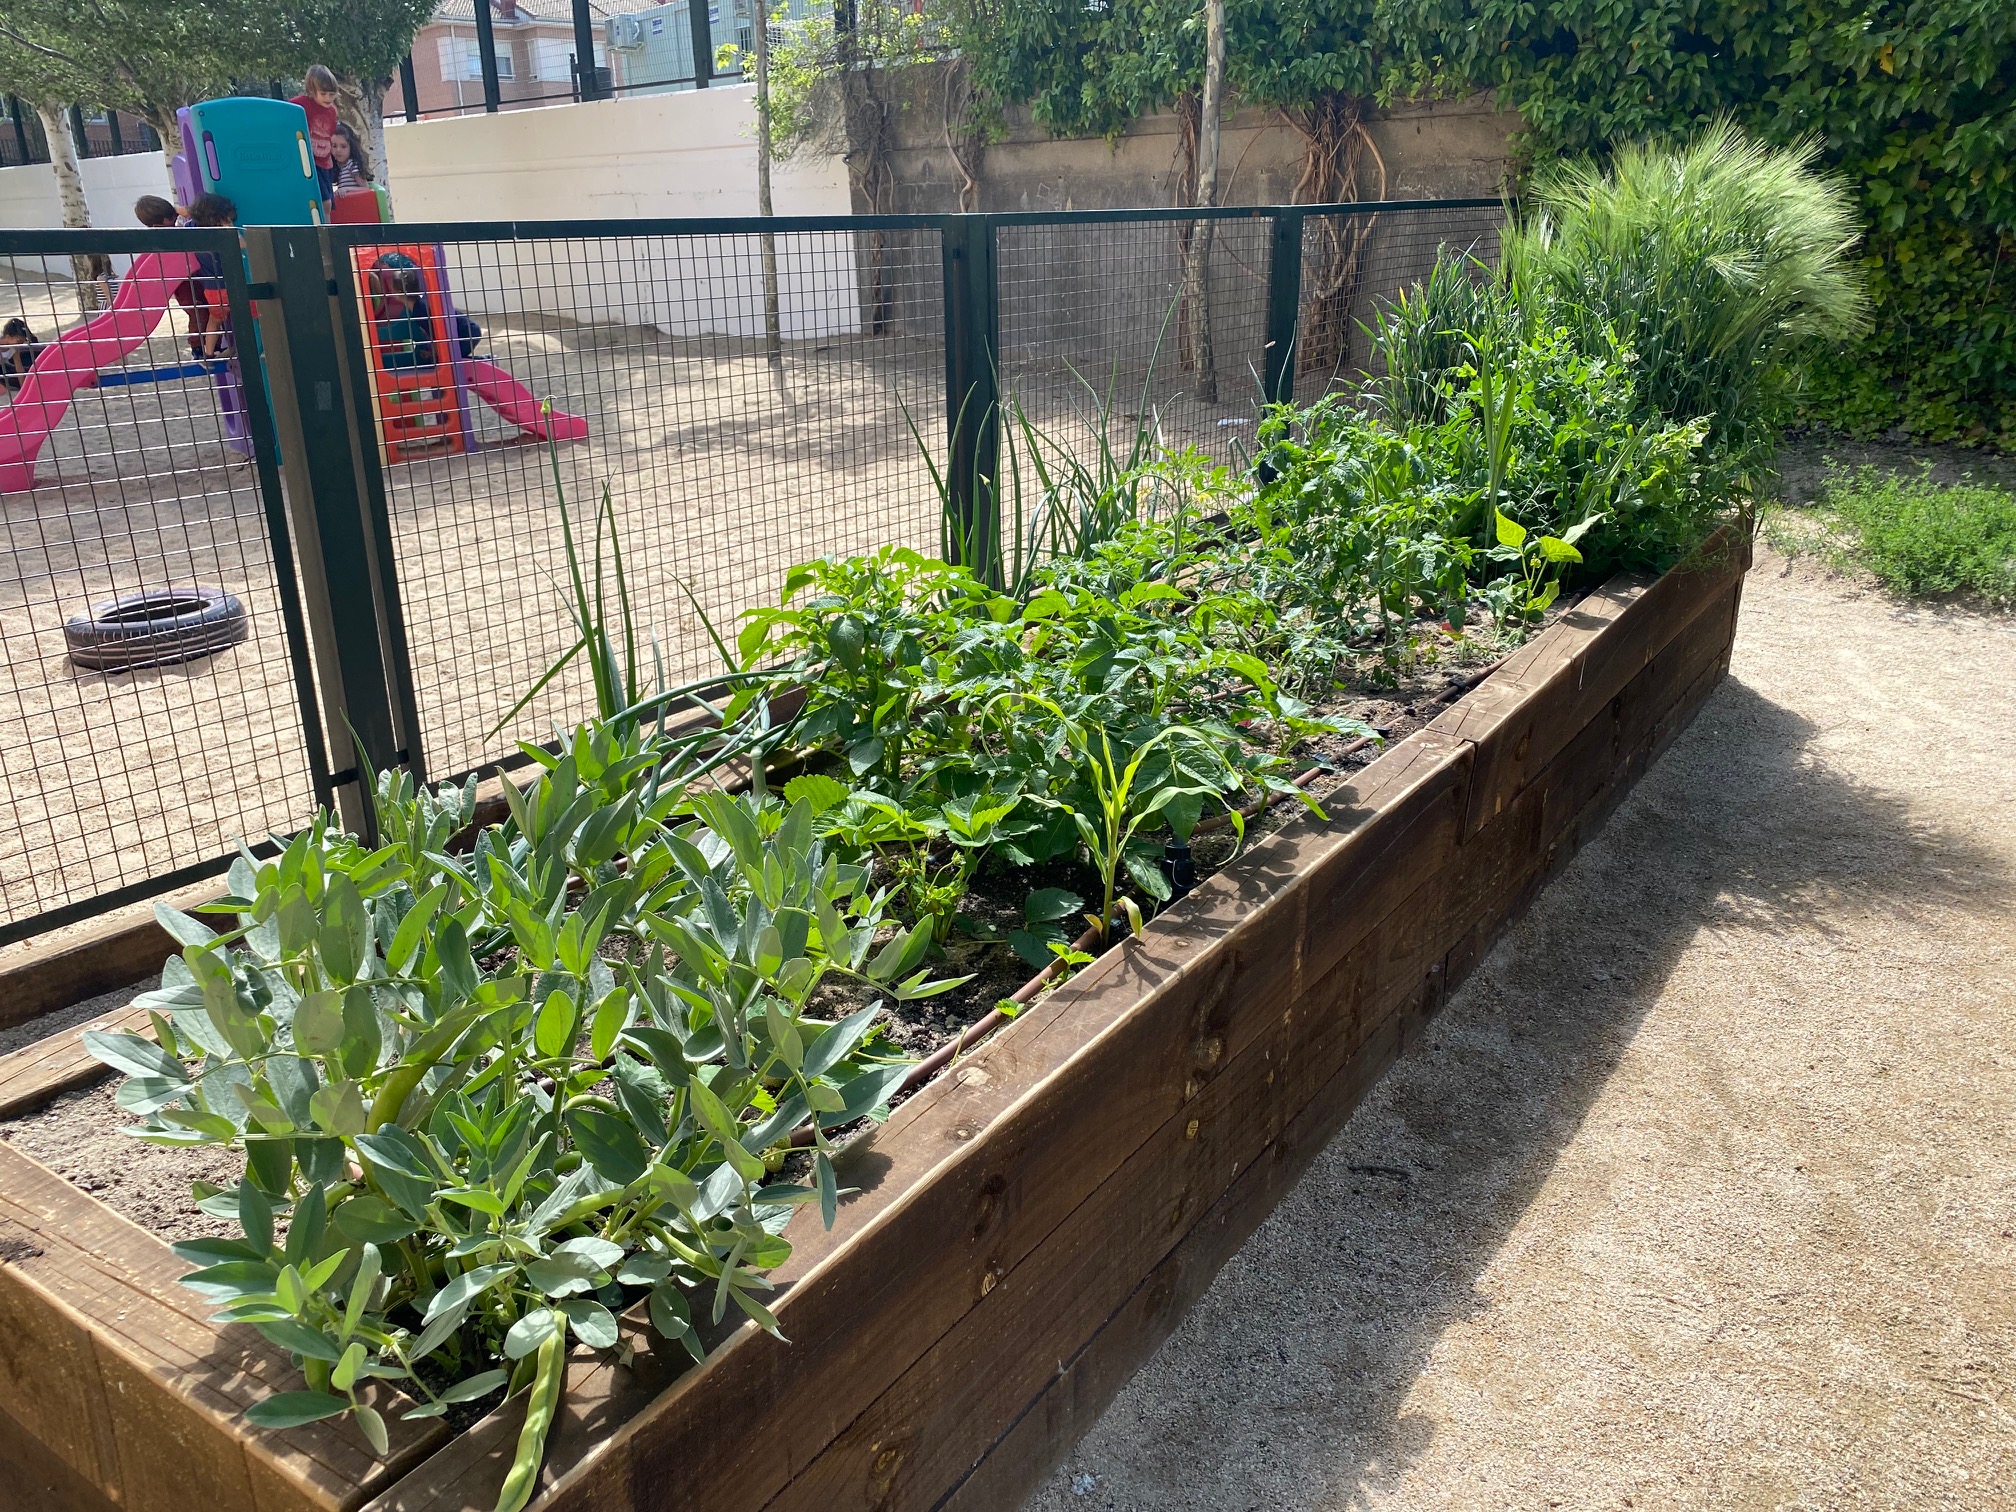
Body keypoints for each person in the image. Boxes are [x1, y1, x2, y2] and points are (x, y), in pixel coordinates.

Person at [186, 193, 238, 360]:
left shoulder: (192, 228)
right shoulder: (219, 235)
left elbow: (187, 216)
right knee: (253, 315)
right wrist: (230, 228)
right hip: (230, 285)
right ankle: (239, 349)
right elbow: (242, 244)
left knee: (214, 320)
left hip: (210, 288)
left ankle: (208, 354)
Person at [289, 64, 342, 207]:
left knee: (329, 204)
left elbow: (328, 135)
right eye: (323, 94)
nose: (328, 98)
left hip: (324, 162)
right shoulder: (302, 104)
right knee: (324, 202)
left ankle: (327, 222)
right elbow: (285, 112)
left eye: (332, 94)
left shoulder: (332, 111)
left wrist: (330, 159)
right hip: (310, 161)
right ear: (312, 91)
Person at [0, 317, 41, 391]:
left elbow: (19, 368)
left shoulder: (15, 348)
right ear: (8, 337)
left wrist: (24, 388)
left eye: (22, 342)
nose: (20, 344)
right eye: (18, 341)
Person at [329, 122, 371, 193]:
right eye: (334, 146)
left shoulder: (352, 165)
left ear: (351, 147)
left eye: (343, 146)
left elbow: (365, 188)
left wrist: (346, 189)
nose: (338, 150)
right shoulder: (341, 167)